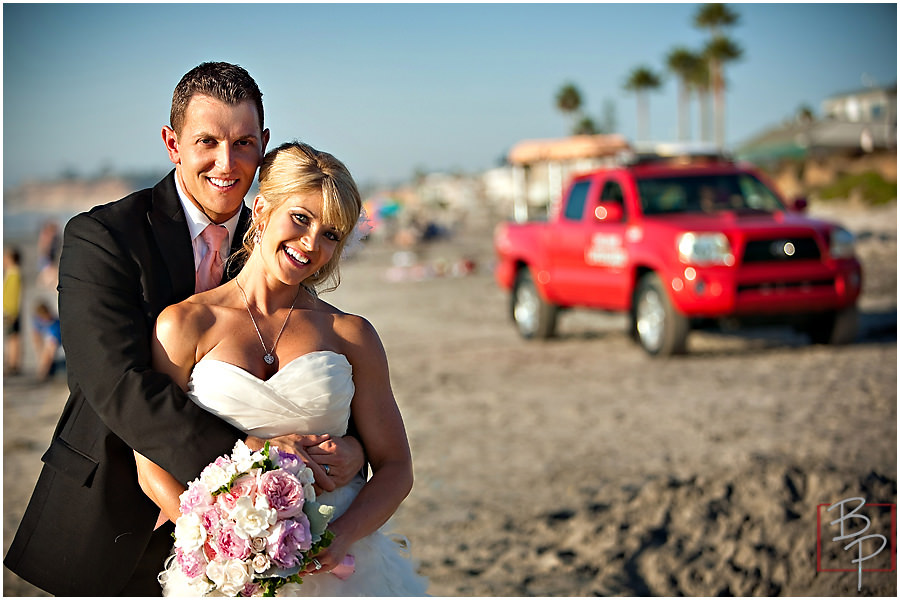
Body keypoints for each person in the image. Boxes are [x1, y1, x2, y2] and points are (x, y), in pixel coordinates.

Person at [4, 62, 365, 597]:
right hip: (114, 513)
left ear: (263, 147)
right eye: (207, 142)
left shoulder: (277, 235)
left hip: (266, 529)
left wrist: (352, 451)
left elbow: (307, 372)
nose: (227, 162)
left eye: (244, 143)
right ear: (173, 145)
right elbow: (117, 384)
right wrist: (256, 463)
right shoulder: (103, 237)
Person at [135, 141, 429, 595]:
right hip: (223, 568)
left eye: (331, 234)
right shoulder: (186, 324)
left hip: (342, 572)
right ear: (261, 209)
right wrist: (217, 540)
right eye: (301, 218)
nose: (312, 244)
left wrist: (339, 538)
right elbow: (151, 464)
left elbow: (396, 468)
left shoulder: (352, 335)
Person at [30, 301, 63, 381]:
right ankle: (44, 369)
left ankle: (44, 372)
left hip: (57, 337)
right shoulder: (38, 321)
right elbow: (36, 336)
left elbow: (52, 345)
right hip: (50, 338)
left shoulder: (55, 323)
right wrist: (39, 352)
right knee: (43, 347)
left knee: (49, 348)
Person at [3, 246, 23, 376]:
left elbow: (14, 295)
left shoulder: (14, 273)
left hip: (11, 311)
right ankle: (11, 363)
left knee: (13, 338)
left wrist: (11, 312)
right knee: (11, 337)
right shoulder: (11, 272)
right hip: (11, 310)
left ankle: (13, 364)